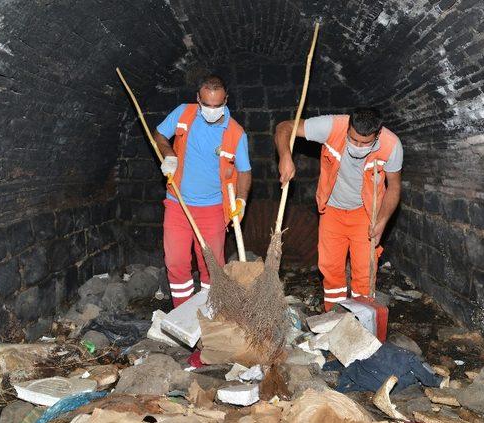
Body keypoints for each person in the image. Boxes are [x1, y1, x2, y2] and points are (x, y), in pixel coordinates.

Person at [274, 108, 403, 311]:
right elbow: (284, 127)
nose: (357, 146)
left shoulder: (391, 145)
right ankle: (334, 316)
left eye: (365, 143)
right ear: (348, 127)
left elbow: (394, 186)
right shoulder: (332, 126)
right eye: (353, 139)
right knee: (331, 268)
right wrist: (285, 157)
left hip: (365, 213)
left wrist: (382, 220)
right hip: (333, 209)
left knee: (364, 270)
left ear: (378, 134)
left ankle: (362, 319)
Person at [154, 75, 251, 307]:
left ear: (226, 100)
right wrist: (168, 153)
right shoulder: (183, 113)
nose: (211, 110)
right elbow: (159, 136)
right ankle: (183, 314)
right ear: (198, 98)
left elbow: (245, 171)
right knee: (176, 262)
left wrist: (242, 201)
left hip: (213, 209)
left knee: (211, 265)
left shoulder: (236, 133)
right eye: (206, 105)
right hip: (178, 203)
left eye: (217, 106)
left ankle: (209, 317)